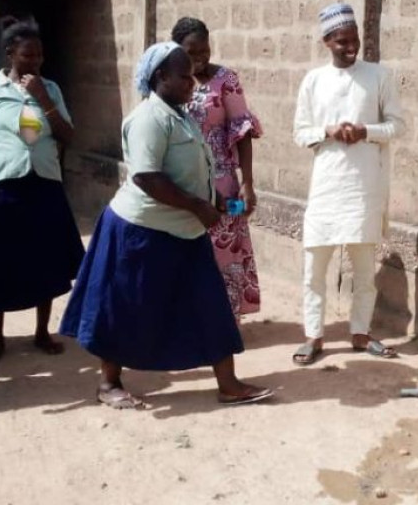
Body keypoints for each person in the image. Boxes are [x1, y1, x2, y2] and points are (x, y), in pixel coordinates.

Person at [59, 42, 274, 410]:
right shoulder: (148, 119)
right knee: (123, 306)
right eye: (184, 75)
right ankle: (108, 383)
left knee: (211, 304)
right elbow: (146, 177)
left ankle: (228, 384)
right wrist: (196, 205)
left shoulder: (180, 114)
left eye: (192, 75)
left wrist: (213, 199)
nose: (193, 82)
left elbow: (193, 167)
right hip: (139, 231)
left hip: (186, 229)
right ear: (161, 77)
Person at [0, 17, 85, 367]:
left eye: (39, 56)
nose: (34, 62)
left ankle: (42, 331)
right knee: (0, 261)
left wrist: (43, 97)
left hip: (43, 182)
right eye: (27, 56)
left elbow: (67, 135)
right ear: (10, 55)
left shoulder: (51, 88)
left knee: (45, 259)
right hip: (5, 184)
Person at [290, 3, 405, 366]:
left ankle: (360, 332)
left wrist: (364, 131)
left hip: (363, 187)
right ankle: (314, 337)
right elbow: (299, 132)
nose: (350, 46)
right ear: (327, 42)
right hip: (325, 187)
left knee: (364, 270)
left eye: (354, 39)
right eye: (342, 41)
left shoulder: (378, 75)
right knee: (314, 271)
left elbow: (397, 126)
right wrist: (328, 131)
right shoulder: (313, 80)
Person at [171, 17, 263, 321]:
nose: (200, 58)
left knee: (225, 249)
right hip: (182, 182)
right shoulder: (170, 82)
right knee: (185, 250)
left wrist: (247, 183)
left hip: (223, 183)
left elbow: (243, 132)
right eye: (192, 52)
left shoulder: (226, 80)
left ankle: (224, 321)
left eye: (205, 51)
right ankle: (189, 319)